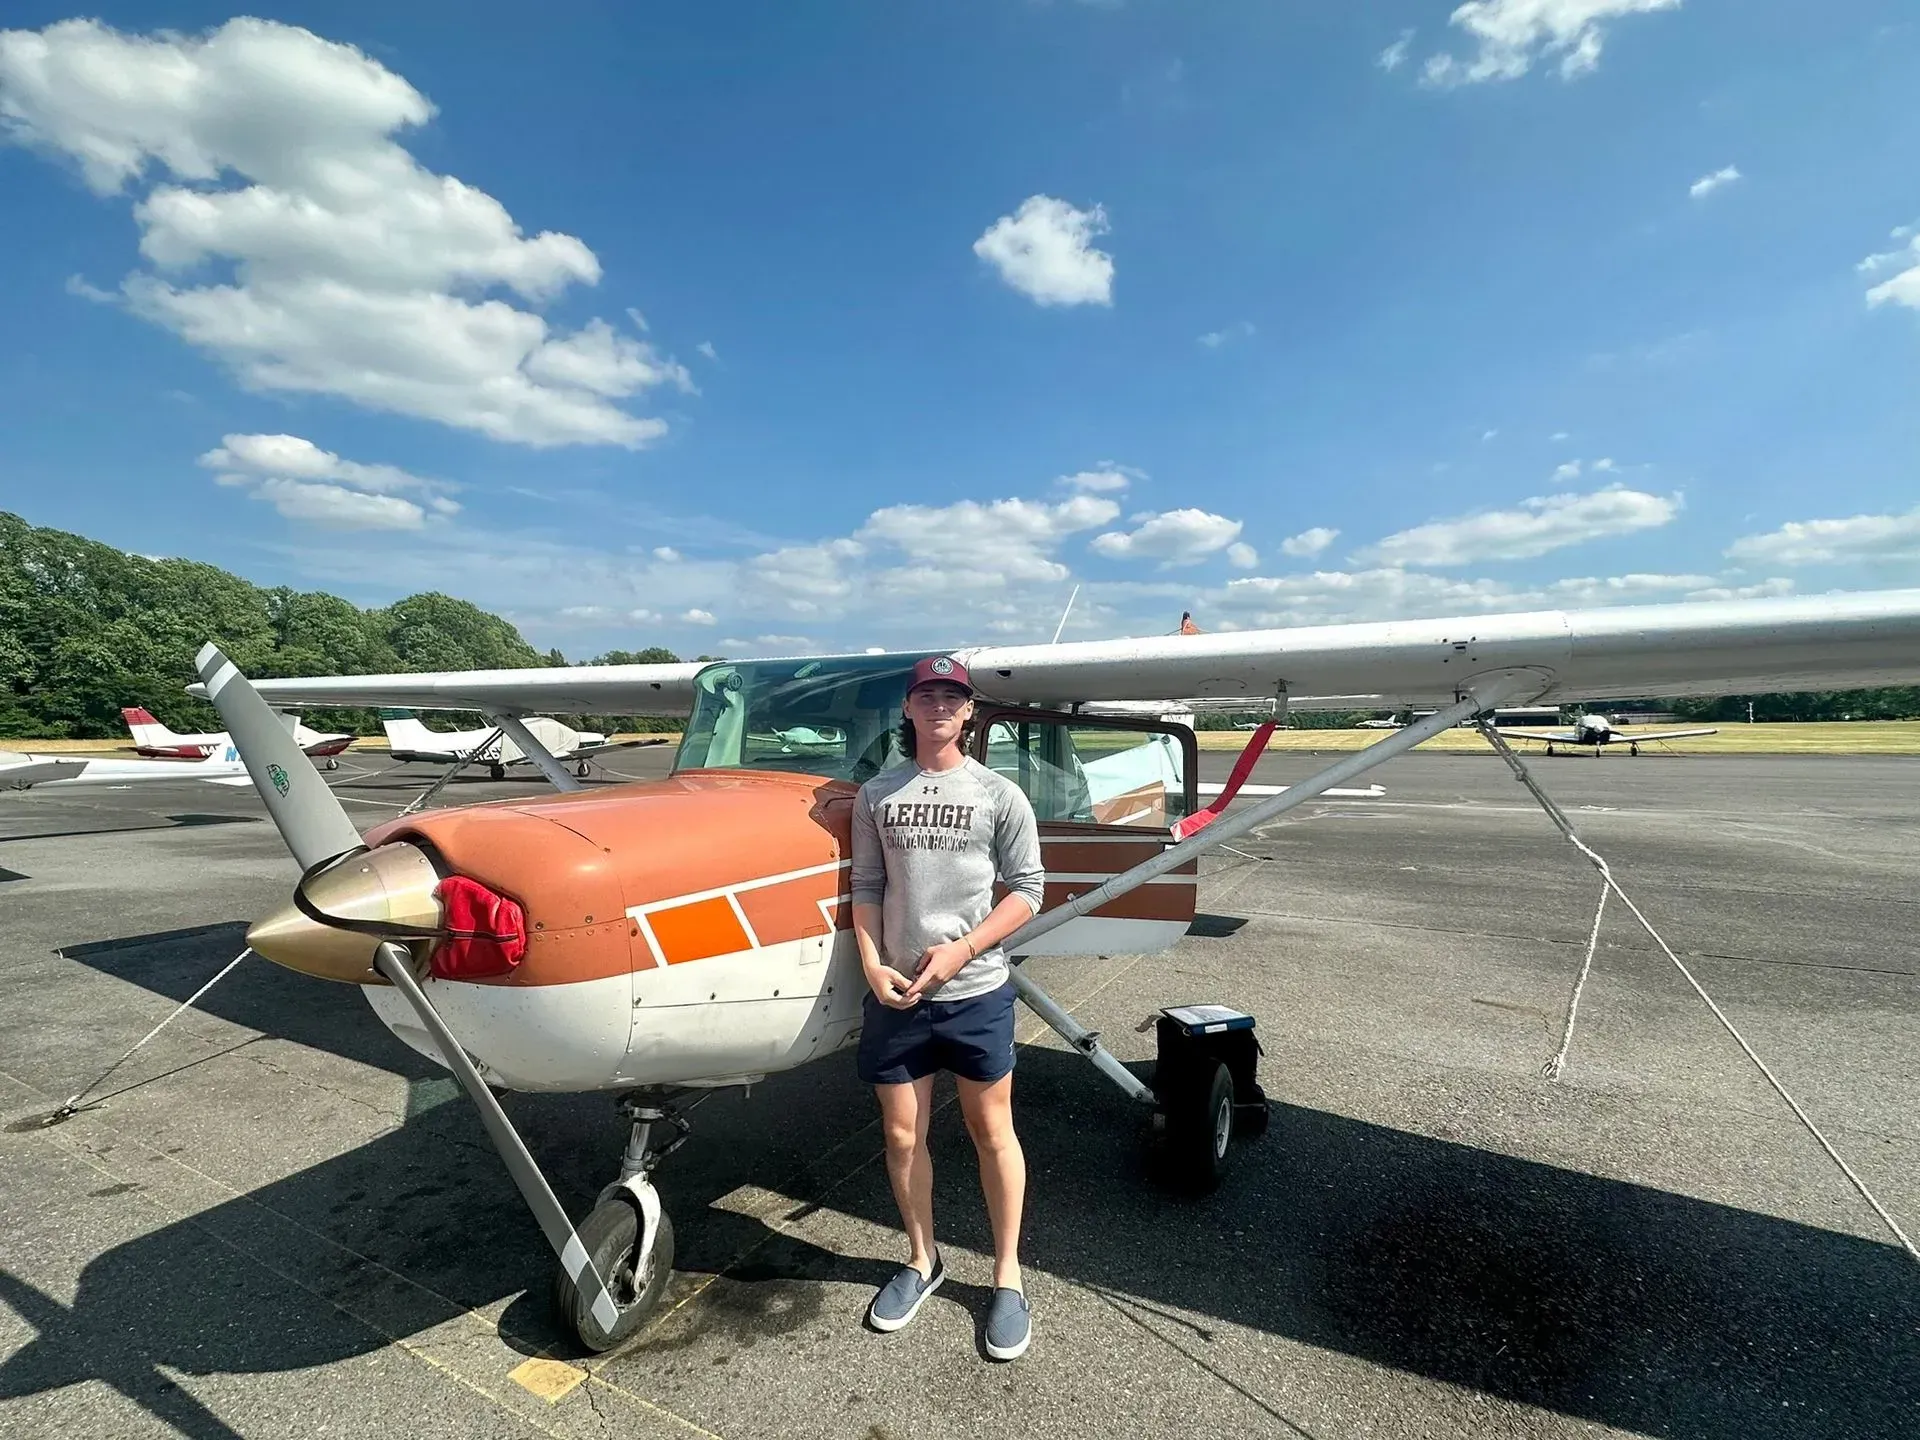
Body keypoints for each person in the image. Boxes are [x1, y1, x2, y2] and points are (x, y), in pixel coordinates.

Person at [848, 656, 1046, 1360]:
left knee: (991, 1131)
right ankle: (922, 1259)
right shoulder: (878, 794)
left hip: (976, 991)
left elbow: (1028, 890)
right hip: (898, 995)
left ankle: (1007, 1277)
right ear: (907, 709)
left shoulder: (999, 795)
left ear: (969, 714)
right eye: (926, 695)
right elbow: (866, 886)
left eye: (952, 697)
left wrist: (962, 953)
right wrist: (871, 961)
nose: (938, 706)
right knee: (903, 1137)